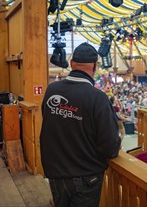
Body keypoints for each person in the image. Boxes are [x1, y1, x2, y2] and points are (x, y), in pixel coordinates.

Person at [40, 42, 121, 207]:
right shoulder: (98, 98)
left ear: (71, 64)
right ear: (95, 66)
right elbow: (110, 146)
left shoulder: (51, 90)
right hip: (86, 176)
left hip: (56, 173)